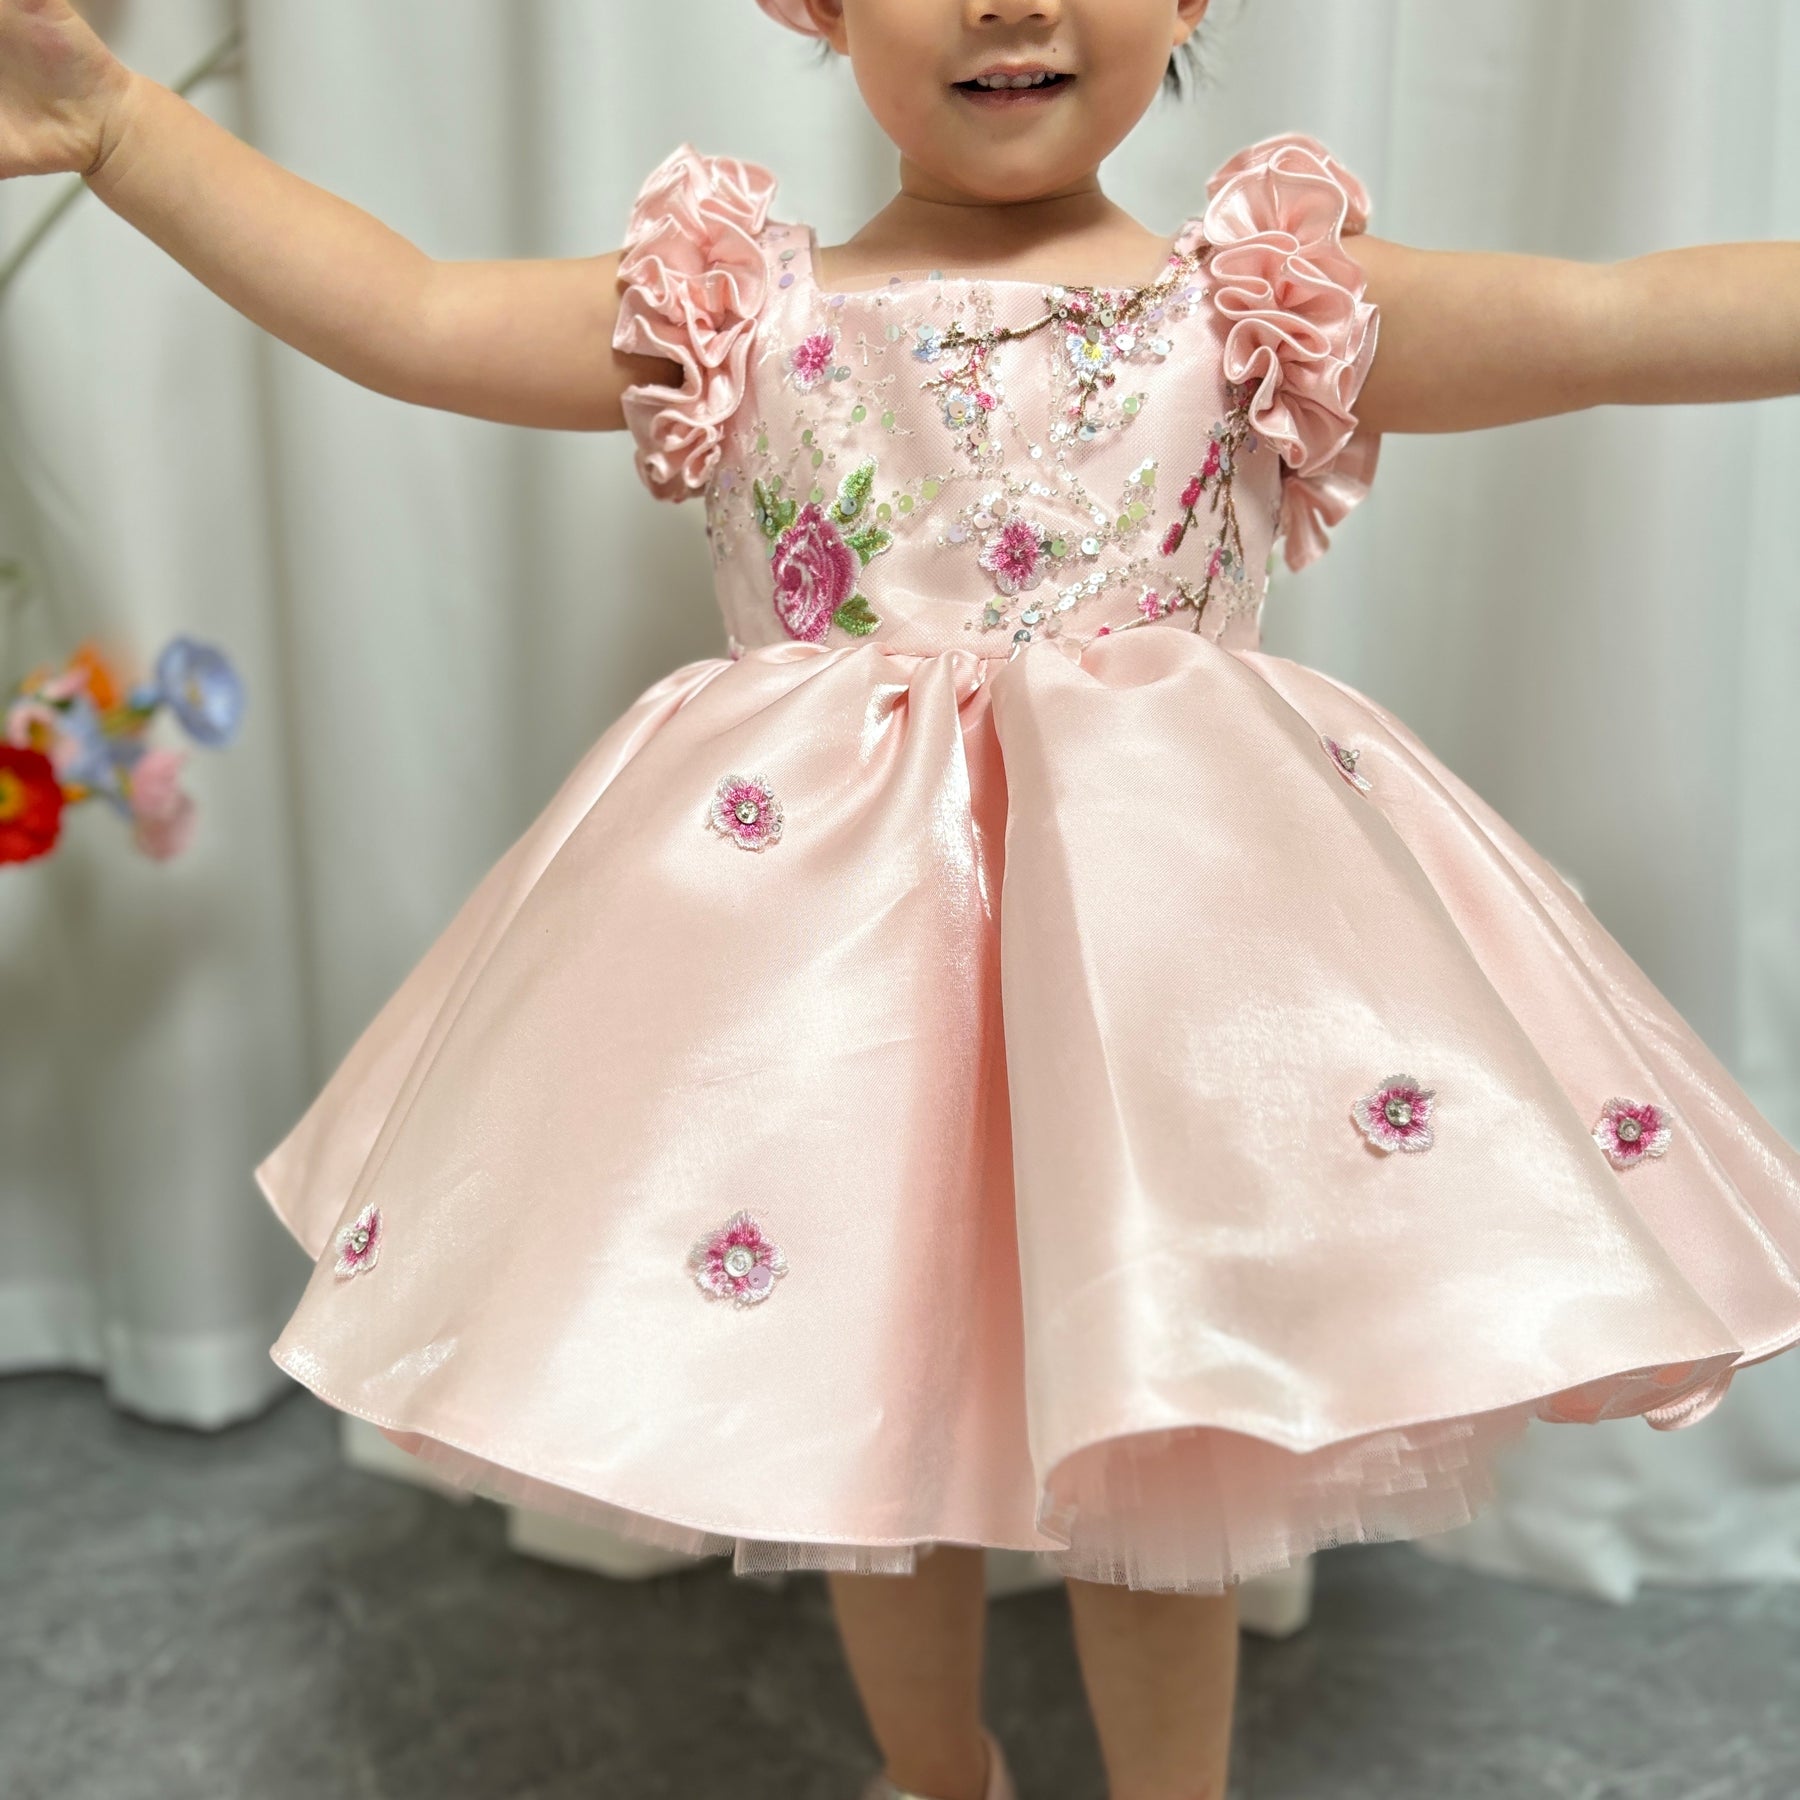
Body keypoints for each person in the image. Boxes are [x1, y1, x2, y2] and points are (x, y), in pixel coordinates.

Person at [7, 1, 1800, 1795]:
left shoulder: (1257, 304)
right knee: (871, 1412)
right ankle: (938, 1774)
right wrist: (118, 126)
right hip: (841, 977)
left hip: (1164, 984)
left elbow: (1619, 321)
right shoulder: (735, 311)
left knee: (1166, 1436)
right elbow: (403, 312)